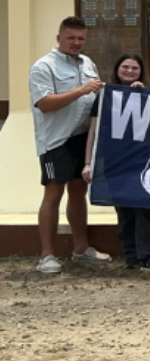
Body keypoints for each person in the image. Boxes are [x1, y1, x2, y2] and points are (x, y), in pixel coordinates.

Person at [29, 16, 110, 274]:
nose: (76, 43)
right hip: (56, 140)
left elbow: (96, 97)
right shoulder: (44, 66)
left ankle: (81, 249)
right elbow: (44, 103)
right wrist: (81, 90)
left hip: (83, 139)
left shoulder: (88, 63)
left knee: (78, 193)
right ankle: (47, 255)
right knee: (53, 194)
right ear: (59, 38)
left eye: (81, 38)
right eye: (71, 38)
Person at [83, 54, 150, 271]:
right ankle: (131, 256)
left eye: (134, 68)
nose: (129, 71)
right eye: (125, 67)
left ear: (141, 71)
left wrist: (142, 94)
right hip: (115, 163)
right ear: (117, 69)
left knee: (147, 210)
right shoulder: (105, 96)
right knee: (124, 211)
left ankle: (149, 256)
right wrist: (88, 162)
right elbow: (93, 132)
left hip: (144, 163)